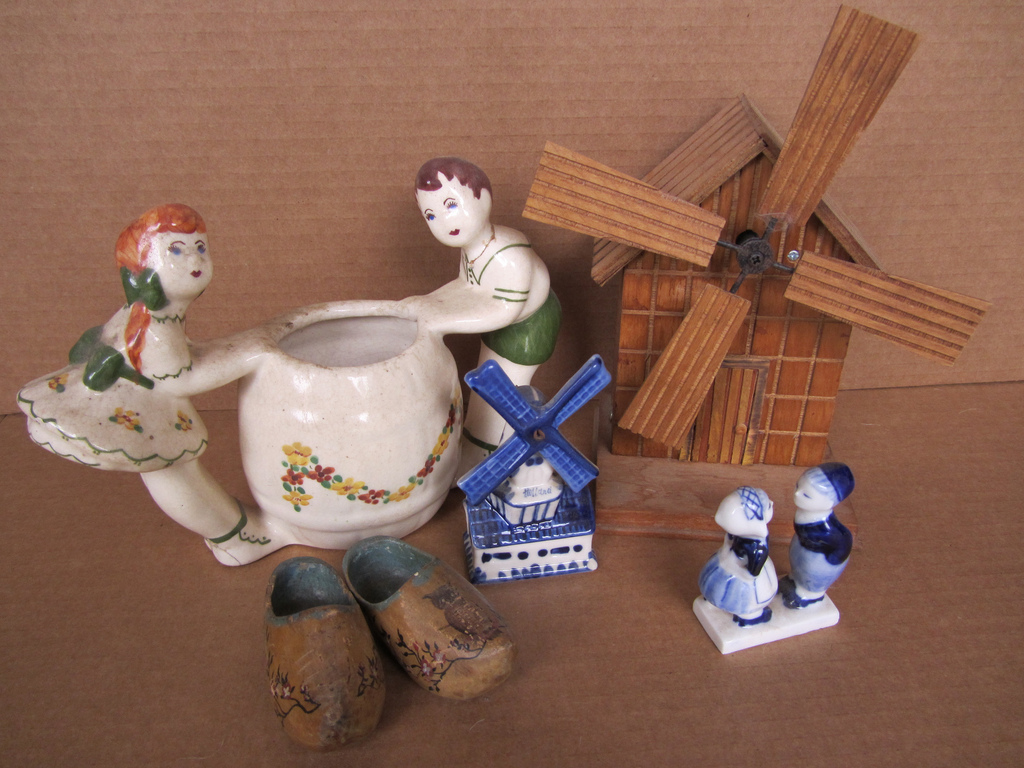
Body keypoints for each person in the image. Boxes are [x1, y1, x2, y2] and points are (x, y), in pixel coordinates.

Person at [18, 204, 279, 563]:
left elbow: (183, 356)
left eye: (200, 247)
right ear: (142, 267)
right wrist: (252, 353)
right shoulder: (157, 324)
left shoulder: (151, 313)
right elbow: (181, 377)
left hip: (135, 393)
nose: (194, 258)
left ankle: (234, 536)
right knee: (175, 473)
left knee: (175, 473)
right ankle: (235, 538)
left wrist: (248, 345)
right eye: (175, 250)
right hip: (141, 403)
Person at [414, 157, 561, 474]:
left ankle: (495, 459)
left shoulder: (509, 256)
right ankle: (472, 450)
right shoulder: (472, 250)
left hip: (527, 329)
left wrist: (441, 320)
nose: (444, 221)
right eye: (431, 215)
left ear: (483, 198)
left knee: (501, 394)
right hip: (501, 324)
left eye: (451, 205)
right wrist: (424, 303)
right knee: (482, 386)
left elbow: (504, 311)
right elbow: (466, 288)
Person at [698, 486, 779, 626]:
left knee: (718, 586)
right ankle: (748, 614)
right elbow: (751, 574)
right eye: (768, 506)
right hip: (736, 573)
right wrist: (731, 562)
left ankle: (715, 600)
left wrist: (729, 559)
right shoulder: (755, 545)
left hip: (728, 567)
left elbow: (752, 571)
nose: (772, 503)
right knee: (744, 598)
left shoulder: (751, 543)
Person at [778, 462, 855, 609]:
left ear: (828, 503)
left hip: (819, 562)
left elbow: (844, 539)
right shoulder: (807, 513)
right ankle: (795, 580)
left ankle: (810, 594)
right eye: (797, 486)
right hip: (802, 552)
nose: (796, 493)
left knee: (811, 575)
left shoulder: (827, 529)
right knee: (799, 569)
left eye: (806, 495)